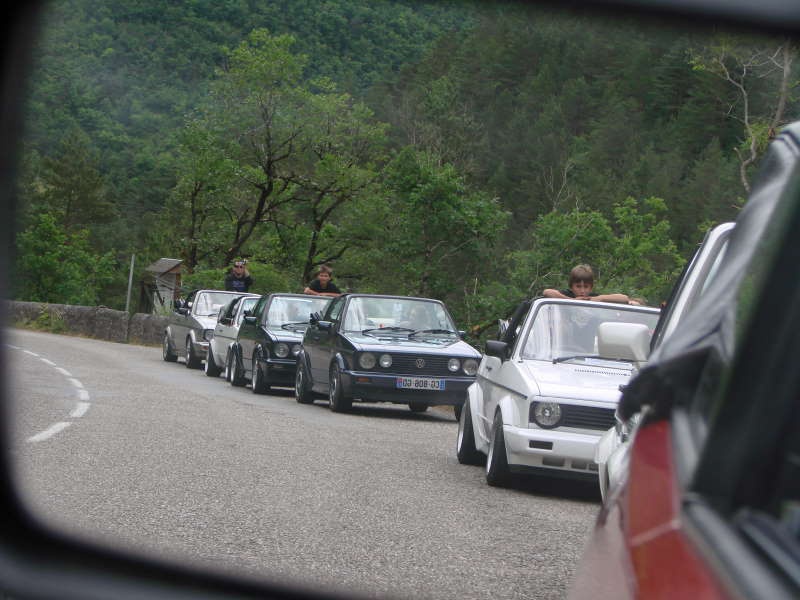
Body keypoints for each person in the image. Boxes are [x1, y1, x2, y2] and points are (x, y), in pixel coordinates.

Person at [543, 264, 630, 304]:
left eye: (586, 287)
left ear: (591, 287)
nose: (582, 290)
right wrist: (572, 301)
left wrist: (600, 298)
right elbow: (547, 292)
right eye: (578, 286)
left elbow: (624, 298)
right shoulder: (567, 294)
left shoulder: (593, 298)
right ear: (571, 286)